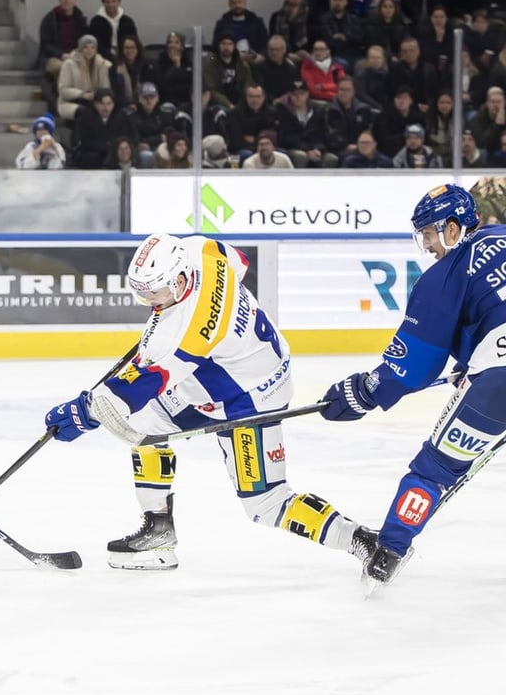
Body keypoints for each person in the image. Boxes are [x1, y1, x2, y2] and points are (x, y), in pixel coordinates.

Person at [45, 233, 377, 570]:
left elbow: (134, 390)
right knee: (142, 421)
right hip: (240, 366)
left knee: (266, 503)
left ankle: (363, 541)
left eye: (154, 293)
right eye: (141, 292)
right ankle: (159, 532)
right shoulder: (201, 249)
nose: (148, 301)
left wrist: (82, 411)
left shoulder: (185, 334)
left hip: (250, 399)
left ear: (178, 280)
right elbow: (240, 263)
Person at [318, 184, 505, 587]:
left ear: (453, 229)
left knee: (437, 468)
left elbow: (413, 367)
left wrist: (364, 391)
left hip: (499, 386)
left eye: (429, 234)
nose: (426, 244)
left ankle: (389, 552)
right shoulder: (502, 235)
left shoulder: (443, 276)